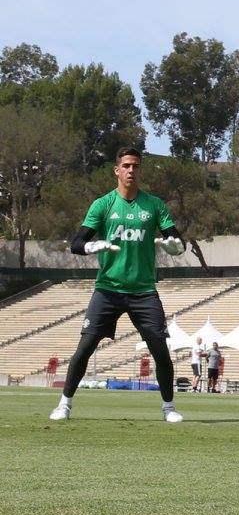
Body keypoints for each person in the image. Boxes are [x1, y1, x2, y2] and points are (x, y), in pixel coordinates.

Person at [51, 147, 187, 423]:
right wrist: (91, 246)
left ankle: (169, 408)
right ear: (116, 170)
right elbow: (76, 244)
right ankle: (64, 404)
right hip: (108, 289)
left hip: (144, 291)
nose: (131, 171)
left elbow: (176, 240)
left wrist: (175, 247)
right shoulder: (102, 204)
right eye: (126, 166)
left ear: (140, 171)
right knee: (85, 347)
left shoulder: (154, 205)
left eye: (136, 166)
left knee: (160, 349)